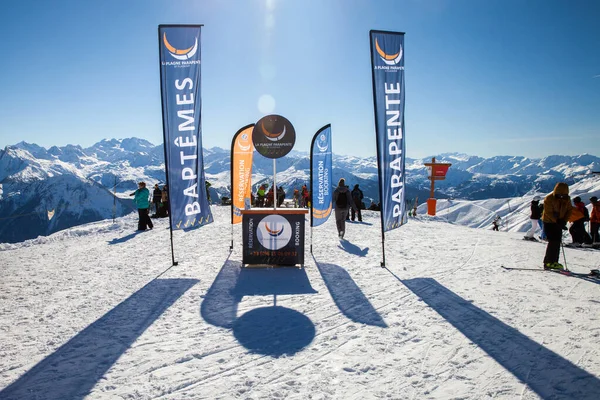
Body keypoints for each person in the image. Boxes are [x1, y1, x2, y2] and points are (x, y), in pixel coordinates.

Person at [541, 182, 572, 270]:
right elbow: (548, 212)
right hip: (549, 222)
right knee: (553, 241)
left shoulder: (567, 199)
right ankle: (548, 262)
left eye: (563, 195)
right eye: (559, 195)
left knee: (557, 241)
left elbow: (569, 210)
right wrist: (557, 221)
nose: (561, 197)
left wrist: (564, 221)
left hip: (559, 222)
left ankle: (554, 261)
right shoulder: (549, 198)